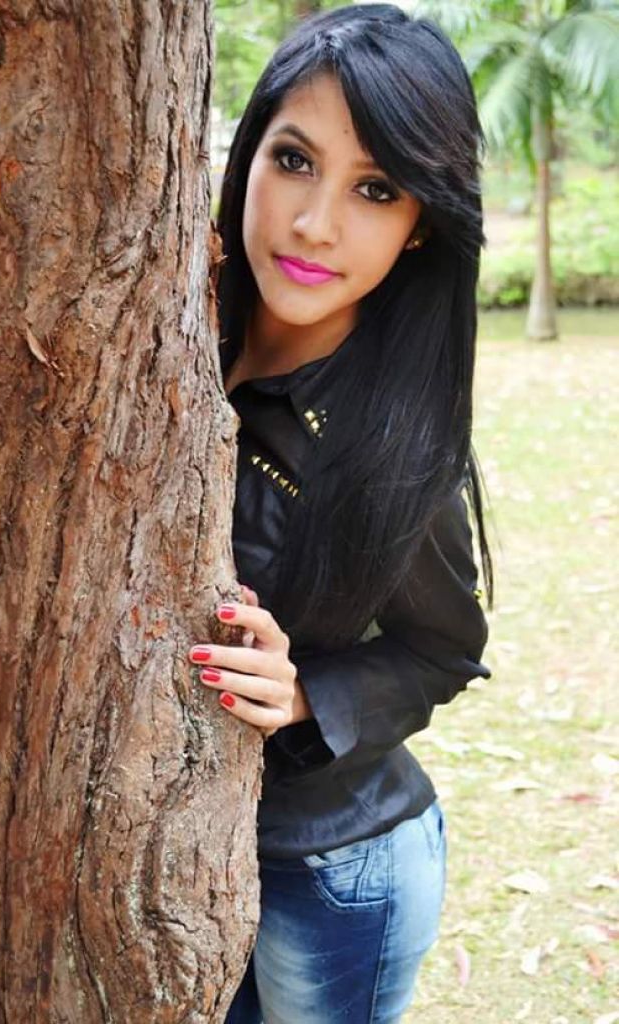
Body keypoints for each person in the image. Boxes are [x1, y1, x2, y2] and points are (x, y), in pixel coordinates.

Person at [188, 5, 493, 1021]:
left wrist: (303, 694)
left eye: (375, 189)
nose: (315, 223)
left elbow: (442, 651)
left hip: (337, 869)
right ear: (248, 157)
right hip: (179, 850)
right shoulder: (167, 332)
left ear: (420, 225)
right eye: (294, 160)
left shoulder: (394, 441)